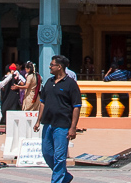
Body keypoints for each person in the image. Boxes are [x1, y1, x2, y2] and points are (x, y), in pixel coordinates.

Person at [36, 54, 81, 183]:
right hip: (48, 123)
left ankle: (57, 181)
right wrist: (38, 120)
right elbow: (42, 102)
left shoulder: (71, 84)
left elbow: (76, 106)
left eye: (52, 65)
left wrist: (73, 127)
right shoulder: (49, 83)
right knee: (47, 153)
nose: (50, 67)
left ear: (59, 67)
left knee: (60, 157)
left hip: (62, 125)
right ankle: (65, 176)